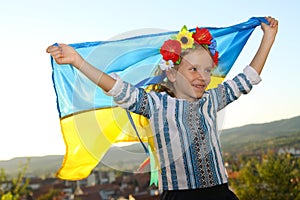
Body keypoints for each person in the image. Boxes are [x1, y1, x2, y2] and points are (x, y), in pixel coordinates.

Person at [46, 16, 278, 200]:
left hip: (220, 193)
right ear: (171, 73)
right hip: (180, 196)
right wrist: (77, 61)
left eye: (208, 70)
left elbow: (248, 78)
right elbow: (116, 88)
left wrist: (268, 37)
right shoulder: (156, 105)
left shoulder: (212, 100)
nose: (203, 77)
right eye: (194, 69)